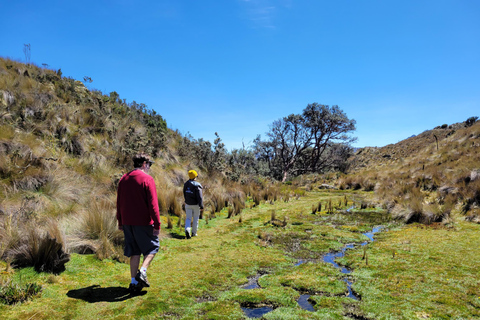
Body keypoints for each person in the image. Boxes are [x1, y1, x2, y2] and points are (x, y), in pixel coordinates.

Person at [116, 153, 161, 293]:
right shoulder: (147, 179)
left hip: (127, 221)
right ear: (143, 164)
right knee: (153, 247)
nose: (149, 167)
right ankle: (142, 271)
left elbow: (119, 202)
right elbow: (153, 204)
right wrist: (157, 224)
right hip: (143, 221)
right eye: (149, 165)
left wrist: (120, 221)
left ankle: (133, 282)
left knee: (134, 251)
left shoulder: (123, 179)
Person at [183, 170, 204, 239]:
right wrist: (201, 206)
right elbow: (200, 197)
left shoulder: (186, 184)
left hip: (188, 204)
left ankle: (187, 229)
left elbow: (184, 193)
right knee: (196, 218)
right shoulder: (197, 185)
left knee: (188, 218)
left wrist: (186, 200)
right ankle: (194, 233)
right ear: (195, 176)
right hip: (196, 205)